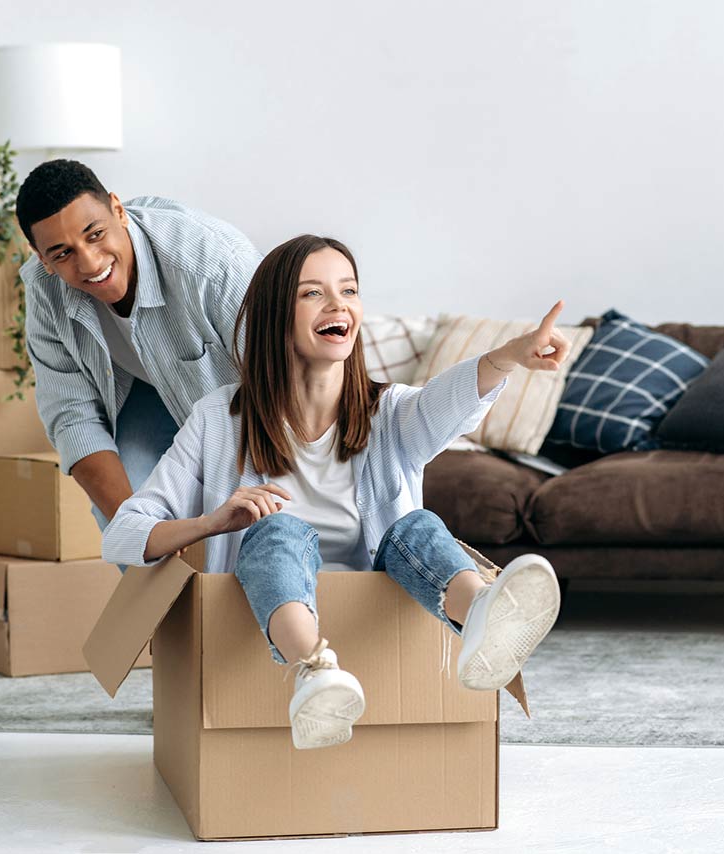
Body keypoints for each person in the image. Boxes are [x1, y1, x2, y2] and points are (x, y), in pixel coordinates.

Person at [102, 235, 568, 749]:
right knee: (276, 530)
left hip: (382, 609)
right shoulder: (220, 418)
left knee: (416, 527)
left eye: (348, 290)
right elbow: (123, 534)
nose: (337, 304)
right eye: (313, 294)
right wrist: (213, 522)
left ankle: (482, 615)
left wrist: (511, 356)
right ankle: (315, 671)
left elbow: (452, 402)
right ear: (276, 316)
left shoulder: (390, 413)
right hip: (273, 621)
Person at [15, 159, 262, 532]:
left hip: (250, 405)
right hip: (141, 393)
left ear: (118, 209)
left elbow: (288, 380)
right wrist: (138, 532)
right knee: (125, 513)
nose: (90, 263)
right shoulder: (44, 290)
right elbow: (72, 416)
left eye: (95, 234)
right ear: (42, 259)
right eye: (63, 253)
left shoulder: (211, 261)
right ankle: (164, 591)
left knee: (253, 526)